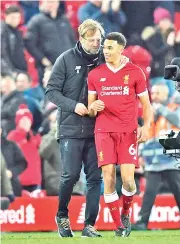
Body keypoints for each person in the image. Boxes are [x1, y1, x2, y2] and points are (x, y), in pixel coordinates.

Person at [87, 32, 153, 237]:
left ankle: (125, 213)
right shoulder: (95, 74)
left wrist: (147, 125)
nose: (105, 51)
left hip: (128, 131)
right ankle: (118, 226)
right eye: (104, 47)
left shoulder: (135, 72)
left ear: (121, 49)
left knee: (128, 180)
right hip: (104, 130)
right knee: (107, 176)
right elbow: (91, 107)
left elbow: (146, 104)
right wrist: (93, 106)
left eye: (110, 48)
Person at [45, 19, 105, 238]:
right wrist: (74, 106)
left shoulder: (105, 60)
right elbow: (51, 91)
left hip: (97, 128)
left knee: (94, 179)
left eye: (99, 40)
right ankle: (62, 215)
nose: (97, 44)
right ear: (81, 38)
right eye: (92, 40)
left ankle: (89, 225)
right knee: (70, 175)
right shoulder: (66, 59)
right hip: (70, 127)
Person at [132, 83, 180, 231]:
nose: (154, 96)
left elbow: (177, 121)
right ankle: (142, 222)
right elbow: (147, 134)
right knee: (149, 193)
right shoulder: (149, 111)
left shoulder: (174, 107)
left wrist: (160, 109)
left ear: (165, 94)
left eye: (157, 93)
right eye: (153, 93)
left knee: (178, 192)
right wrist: (142, 155)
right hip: (154, 161)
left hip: (171, 160)